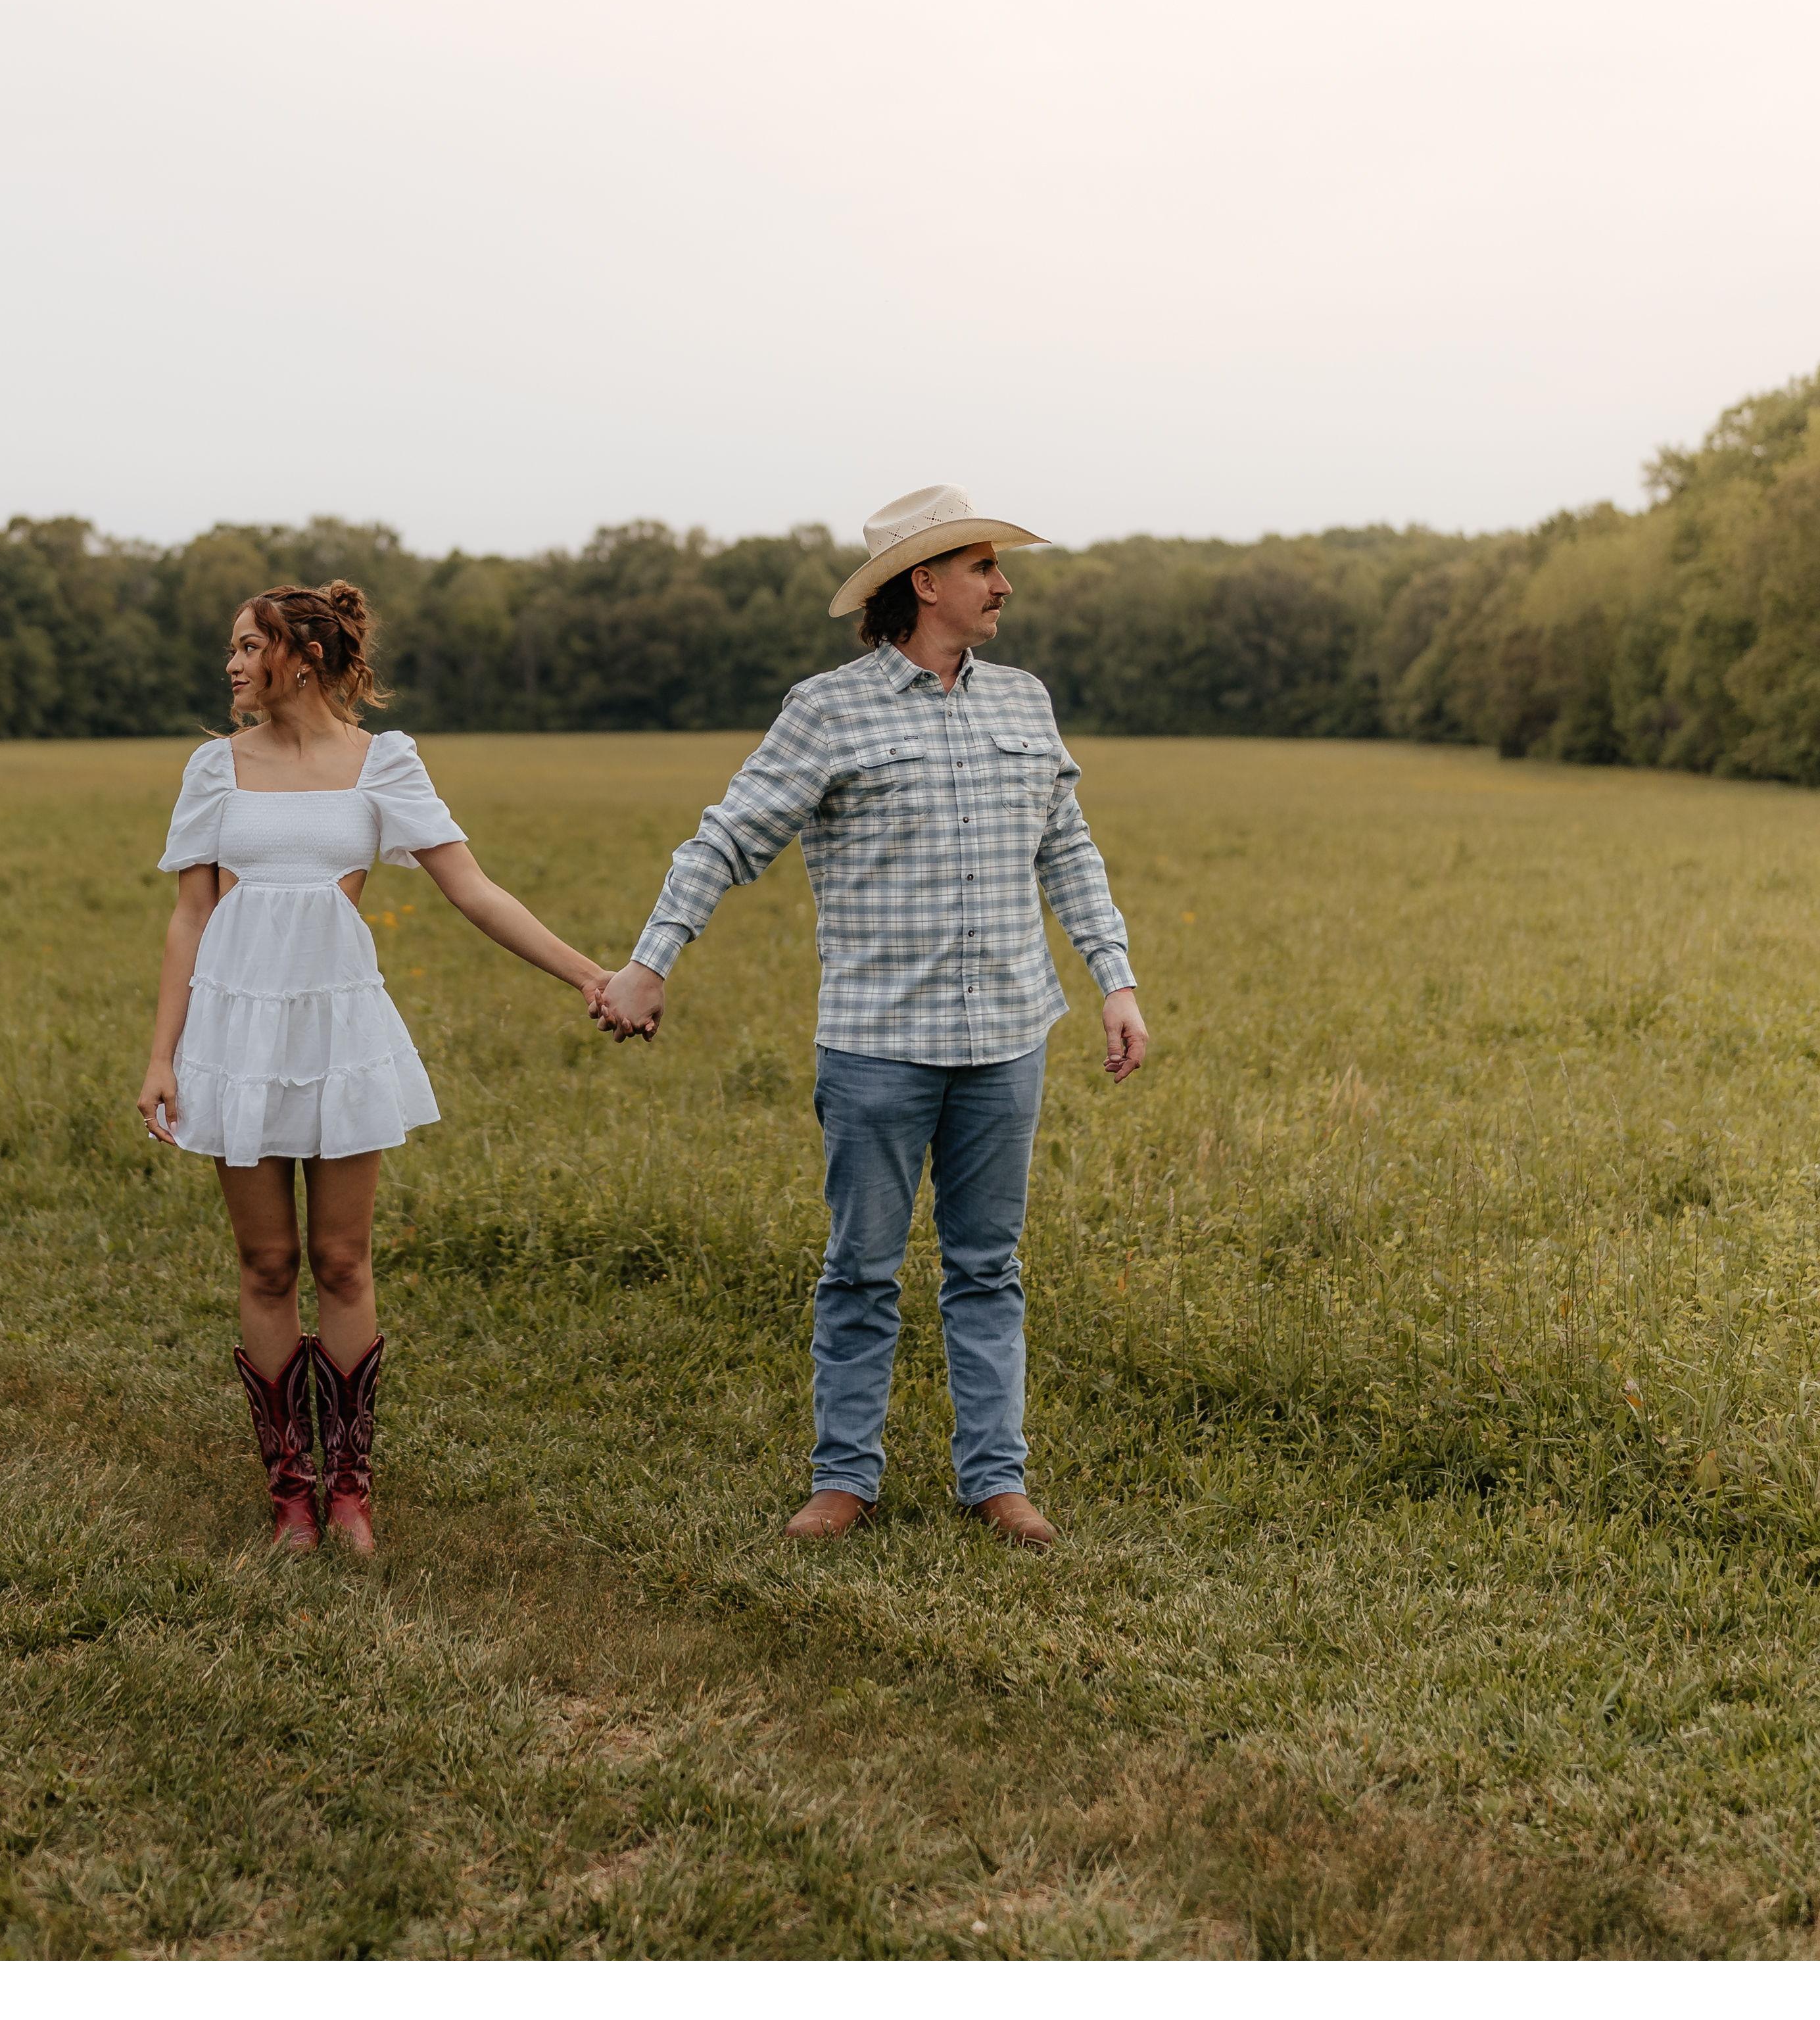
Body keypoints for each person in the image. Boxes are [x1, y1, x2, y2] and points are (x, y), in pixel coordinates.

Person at [594, 485, 1149, 1547]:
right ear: (924, 583)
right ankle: (843, 1480)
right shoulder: (827, 709)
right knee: (861, 1271)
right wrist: (649, 964)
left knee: (990, 1269)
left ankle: (998, 1481)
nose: (1005, 584)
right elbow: (725, 840)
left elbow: (1066, 849)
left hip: (1008, 1042)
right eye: (984, 566)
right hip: (878, 1050)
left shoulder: (1024, 701)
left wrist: (1113, 980)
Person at [140, 579, 615, 1554]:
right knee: (267, 1265)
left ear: (300, 656)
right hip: (235, 1035)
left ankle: (351, 1490)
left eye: (245, 646)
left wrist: (587, 974)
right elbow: (191, 914)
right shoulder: (213, 769)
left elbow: (474, 891)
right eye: (229, 647)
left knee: (342, 1261)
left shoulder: (382, 765)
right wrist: (162, 1057)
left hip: (339, 1034)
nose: (229, 664)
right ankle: (290, 1497)